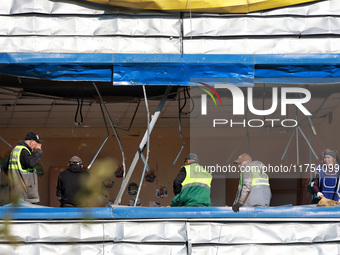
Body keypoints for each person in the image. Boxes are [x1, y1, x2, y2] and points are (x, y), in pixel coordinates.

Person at [4, 132, 43, 203]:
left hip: (15, 192)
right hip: (24, 194)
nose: (36, 146)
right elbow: (32, 163)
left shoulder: (15, 150)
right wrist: (38, 151)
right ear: (31, 142)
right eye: (36, 143)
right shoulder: (23, 151)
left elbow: (6, 168)